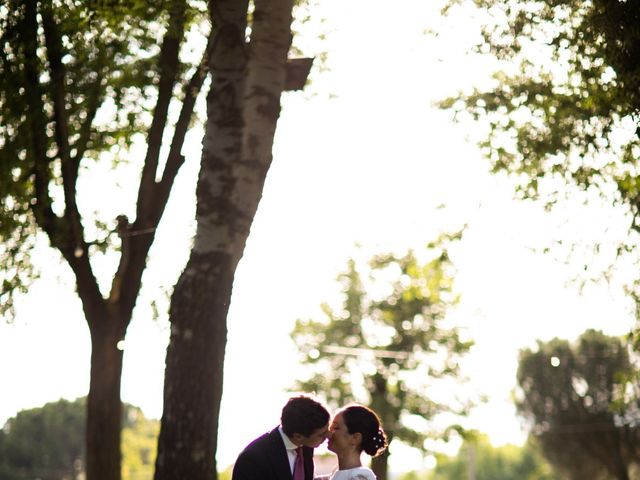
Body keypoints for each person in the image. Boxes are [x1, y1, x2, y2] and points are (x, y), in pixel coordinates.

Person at [232, 394, 330, 480]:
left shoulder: (305, 446)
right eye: (321, 434)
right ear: (298, 436)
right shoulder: (253, 458)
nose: (328, 435)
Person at [324, 404, 388, 480]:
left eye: (335, 427)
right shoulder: (336, 473)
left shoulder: (359, 477)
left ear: (355, 438)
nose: (329, 432)